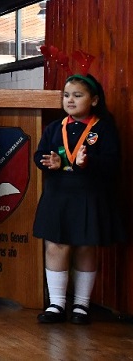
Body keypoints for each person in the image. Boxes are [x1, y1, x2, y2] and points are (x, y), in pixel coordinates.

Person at [33, 72, 124, 325]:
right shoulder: (55, 127)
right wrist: (48, 162)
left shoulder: (103, 128)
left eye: (77, 95)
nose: (70, 100)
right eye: (66, 95)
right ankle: (56, 303)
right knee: (55, 246)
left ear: (94, 100)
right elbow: (39, 154)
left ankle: (82, 305)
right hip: (58, 194)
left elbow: (112, 162)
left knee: (86, 245)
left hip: (89, 195)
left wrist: (89, 162)